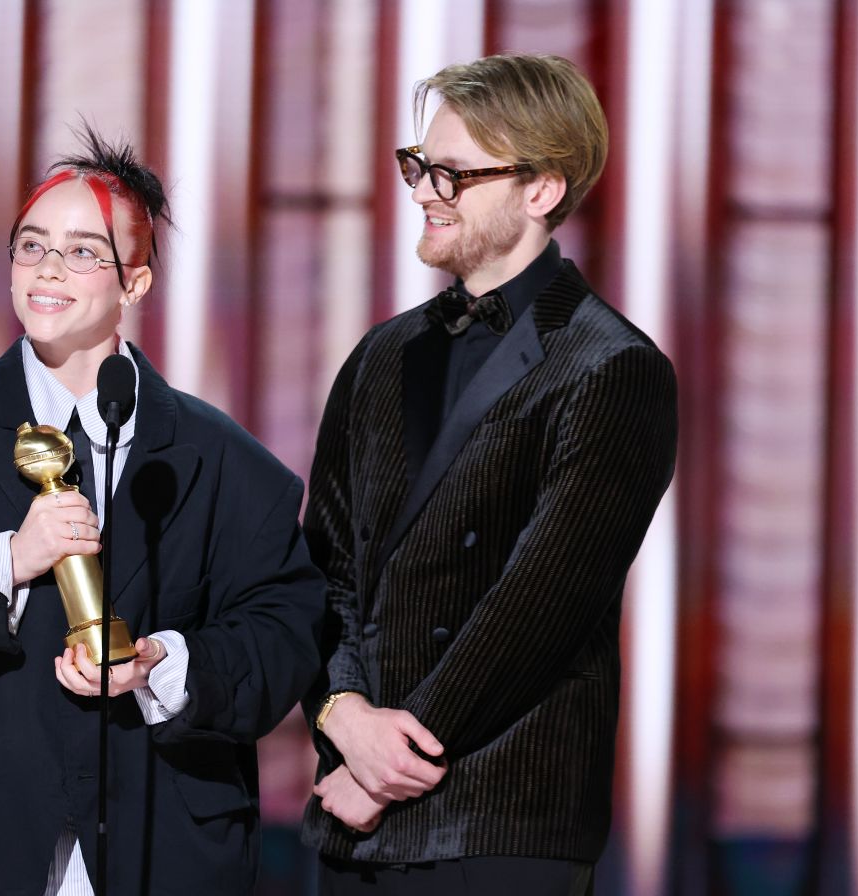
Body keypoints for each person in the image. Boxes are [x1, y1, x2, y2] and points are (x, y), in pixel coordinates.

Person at [0, 127, 325, 895]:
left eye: (85, 251)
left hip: (161, 837)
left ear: (136, 284)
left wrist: (163, 663)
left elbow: (283, 635)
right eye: (31, 247)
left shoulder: (231, 466)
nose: (50, 268)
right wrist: (4, 562)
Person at [301, 54, 678, 895]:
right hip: (353, 825)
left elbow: (537, 605)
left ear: (541, 191)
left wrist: (383, 764)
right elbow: (322, 566)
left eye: (454, 173)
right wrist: (341, 714)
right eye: (419, 165)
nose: (426, 189)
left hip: (500, 819)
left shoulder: (612, 368)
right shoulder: (381, 354)